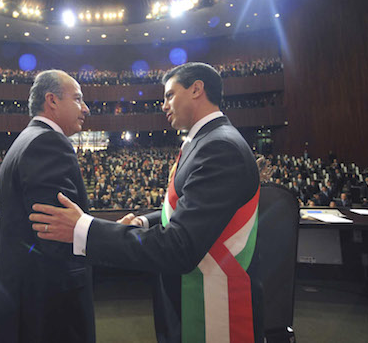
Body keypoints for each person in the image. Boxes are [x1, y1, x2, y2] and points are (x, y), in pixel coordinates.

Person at [30, 63, 261, 342]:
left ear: (197, 89)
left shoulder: (219, 147)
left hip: (215, 309)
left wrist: (84, 229)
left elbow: (179, 247)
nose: (164, 105)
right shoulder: (204, 141)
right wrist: (144, 221)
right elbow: (186, 211)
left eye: (170, 95)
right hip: (192, 296)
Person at [0, 70, 94, 343]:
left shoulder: (27, 138)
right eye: (78, 99)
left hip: (29, 300)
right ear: (52, 100)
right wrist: (102, 235)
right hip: (51, 308)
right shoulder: (48, 142)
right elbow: (57, 235)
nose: (85, 108)